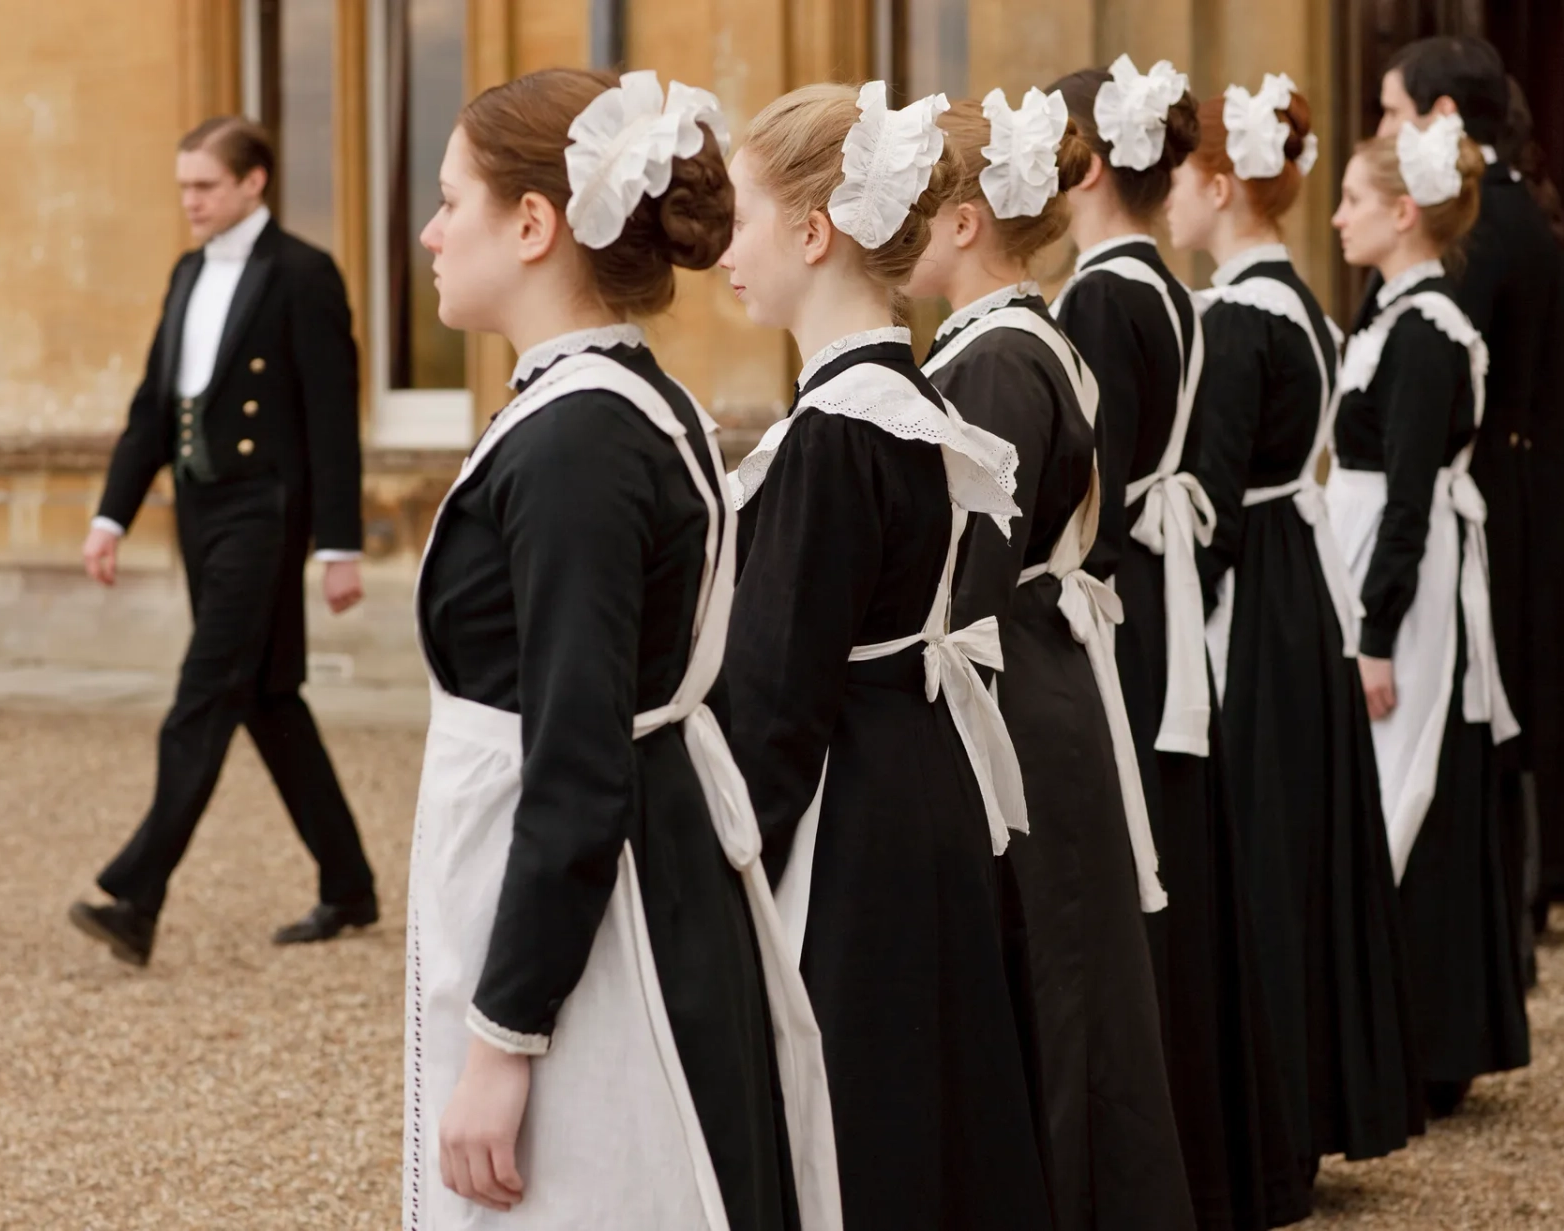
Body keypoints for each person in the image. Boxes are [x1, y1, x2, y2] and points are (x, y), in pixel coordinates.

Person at [403, 68, 837, 1231]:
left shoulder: (579, 440)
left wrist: (505, 1040)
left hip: (607, 924)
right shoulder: (625, 399)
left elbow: (580, 767)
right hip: (642, 861)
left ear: (535, 224)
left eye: (453, 201)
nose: (432, 232)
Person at [720, 80, 1053, 1231]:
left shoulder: (834, 432)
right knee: (931, 1095)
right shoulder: (902, 400)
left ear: (813, 233)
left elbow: (773, 697)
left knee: (863, 1106)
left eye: (741, 218)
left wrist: (714, 866)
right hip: (921, 783)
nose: (724, 251)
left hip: (852, 808)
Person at [903, 87, 1194, 1231]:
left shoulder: (998, 362)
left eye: (919, 206)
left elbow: (968, 568)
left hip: (1021, 682)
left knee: (1060, 975)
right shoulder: (1016, 339)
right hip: (1042, 668)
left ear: (968, 220)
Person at [1050, 56, 1307, 1230]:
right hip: (1159, 588)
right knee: (1179, 864)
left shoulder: (1105, 295)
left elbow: (1086, 483)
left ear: (1091, 166)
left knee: (1142, 867)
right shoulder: (1162, 282)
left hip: (1126, 599)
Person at [1165, 75, 1421, 1173]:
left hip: (1257, 603)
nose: (1170, 199)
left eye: (1181, 180)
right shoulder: (1305, 309)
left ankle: (1268, 1123)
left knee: (1260, 849)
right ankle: (1308, 1104)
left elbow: (1214, 501)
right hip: (1300, 588)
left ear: (1221, 186)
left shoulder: (1234, 319)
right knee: (1299, 846)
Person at [70, 117, 376, 965]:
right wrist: (111, 516)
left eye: (204, 186)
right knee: (270, 700)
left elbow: (331, 422)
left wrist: (338, 545)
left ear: (254, 182)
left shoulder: (305, 276)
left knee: (204, 691)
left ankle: (136, 891)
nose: (190, 202)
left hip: (265, 513)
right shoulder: (185, 271)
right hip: (200, 513)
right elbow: (150, 408)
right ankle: (349, 884)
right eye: (182, 187)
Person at [1379, 36, 1564, 947]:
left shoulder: (1483, 228)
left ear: (1442, 119)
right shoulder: (1509, 211)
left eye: (1395, 111)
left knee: (1500, 684)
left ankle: (1505, 892)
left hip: (1503, 488)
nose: (1384, 129)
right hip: (1528, 477)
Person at [1326, 114, 1530, 1120]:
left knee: (1410, 787)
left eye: (1354, 201)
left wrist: (1372, 631)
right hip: (1377, 560)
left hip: (1403, 587)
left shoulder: (1426, 332)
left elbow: (1410, 496)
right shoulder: (1389, 312)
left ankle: (1428, 1036)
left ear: (1403, 214)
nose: (1336, 217)